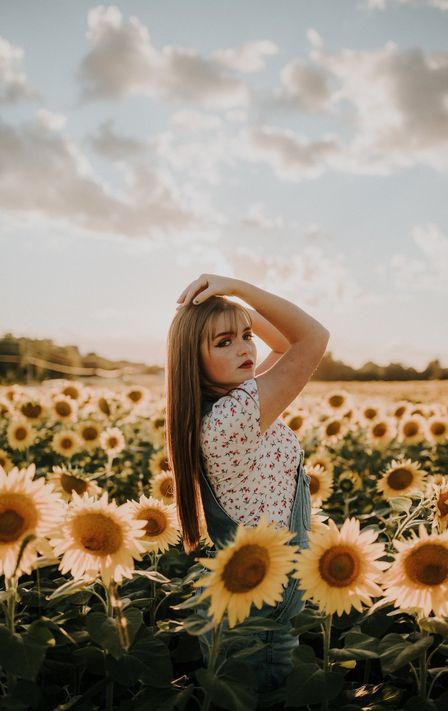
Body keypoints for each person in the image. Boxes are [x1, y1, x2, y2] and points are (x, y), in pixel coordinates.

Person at [165, 274, 330, 702]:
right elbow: (311, 338)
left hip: (248, 590)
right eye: (223, 343)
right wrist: (238, 290)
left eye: (246, 337)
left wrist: (227, 313)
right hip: (263, 605)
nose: (244, 348)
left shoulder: (220, 405)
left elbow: (278, 345)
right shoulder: (234, 416)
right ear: (192, 360)